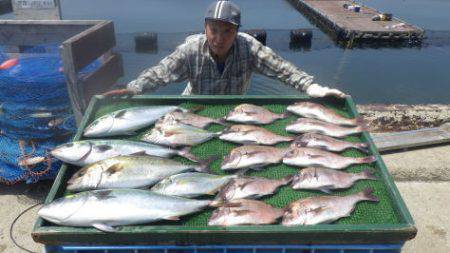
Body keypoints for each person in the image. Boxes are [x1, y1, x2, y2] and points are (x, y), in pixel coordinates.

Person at [103, 0, 346, 98]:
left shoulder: (249, 48)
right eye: (214, 30)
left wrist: (313, 87)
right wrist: (133, 88)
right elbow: (161, 72)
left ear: (237, 31)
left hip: (232, 110)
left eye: (227, 31)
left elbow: (282, 69)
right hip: (194, 107)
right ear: (205, 28)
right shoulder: (190, 50)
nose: (219, 38)